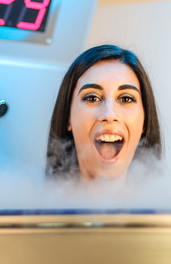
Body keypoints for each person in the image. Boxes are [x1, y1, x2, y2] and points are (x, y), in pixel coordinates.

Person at [46, 45, 162, 182]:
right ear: (68, 118)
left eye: (126, 99)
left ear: (145, 120)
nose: (109, 115)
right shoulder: (31, 201)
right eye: (92, 98)